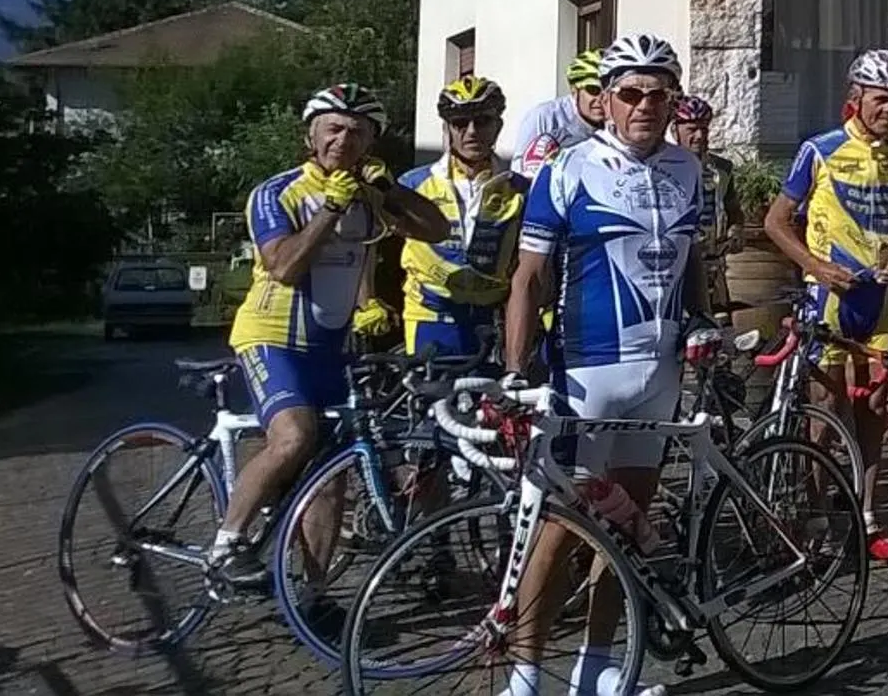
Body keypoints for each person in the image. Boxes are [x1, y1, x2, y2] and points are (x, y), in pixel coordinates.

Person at [502, 33, 709, 696]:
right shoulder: (566, 168)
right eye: (630, 93)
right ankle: (525, 677)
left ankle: (596, 669)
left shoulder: (689, 171)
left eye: (658, 93)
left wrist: (705, 320)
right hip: (586, 373)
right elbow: (527, 278)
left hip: (660, 374)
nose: (645, 104)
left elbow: (695, 261)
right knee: (562, 528)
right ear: (607, 100)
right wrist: (515, 372)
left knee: (624, 530)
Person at [215, 86, 451, 592]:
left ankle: (312, 596)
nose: (344, 140)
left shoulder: (367, 196)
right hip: (271, 337)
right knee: (294, 436)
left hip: (332, 349)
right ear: (311, 135)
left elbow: (436, 228)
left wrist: (387, 191)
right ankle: (228, 544)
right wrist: (329, 210)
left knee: (329, 475)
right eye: (334, 129)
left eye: (358, 132)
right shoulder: (278, 192)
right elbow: (283, 267)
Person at [763, 48, 888, 561]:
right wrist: (816, 267)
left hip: (880, 299)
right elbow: (777, 221)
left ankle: (864, 516)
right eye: (881, 100)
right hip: (831, 297)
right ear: (856, 99)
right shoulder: (819, 150)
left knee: (873, 408)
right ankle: (816, 519)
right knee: (825, 410)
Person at [397, 75, 525, 359]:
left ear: (498, 125)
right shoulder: (412, 184)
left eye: (482, 121)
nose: (471, 132)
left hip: (492, 321)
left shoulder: (519, 187)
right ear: (447, 129)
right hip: (431, 318)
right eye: (460, 123)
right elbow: (372, 245)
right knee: (432, 400)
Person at [671, 95, 737, 320]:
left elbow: (733, 208)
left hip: (713, 263)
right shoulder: (663, 166)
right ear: (674, 129)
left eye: (704, 129)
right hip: (677, 264)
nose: (699, 136)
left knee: (718, 326)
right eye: (691, 129)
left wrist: (736, 229)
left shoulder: (722, 168)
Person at [500, 48, 606, 181]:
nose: (601, 99)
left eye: (607, 91)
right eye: (593, 90)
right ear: (574, 91)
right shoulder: (544, 116)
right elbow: (521, 175)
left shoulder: (617, 119)